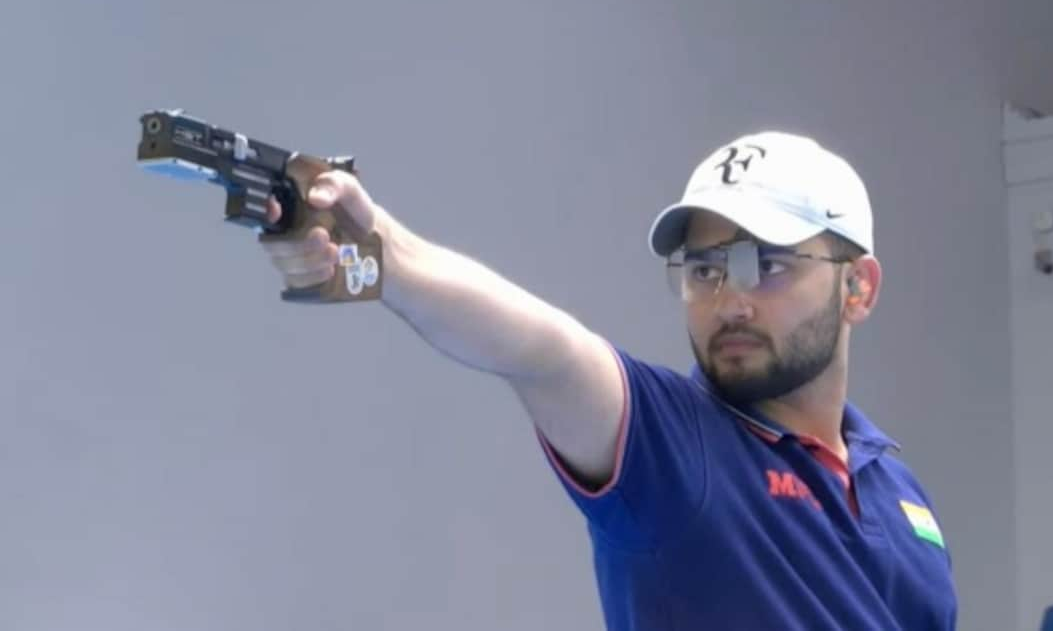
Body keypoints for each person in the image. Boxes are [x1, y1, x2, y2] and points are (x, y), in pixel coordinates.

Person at [263, 131, 958, 630]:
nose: (729, 300)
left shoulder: (899, 492)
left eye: (767, 264)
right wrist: (386, 252)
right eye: (705, 269)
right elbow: (546, 351)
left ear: (858, 288)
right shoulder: (675, 449)